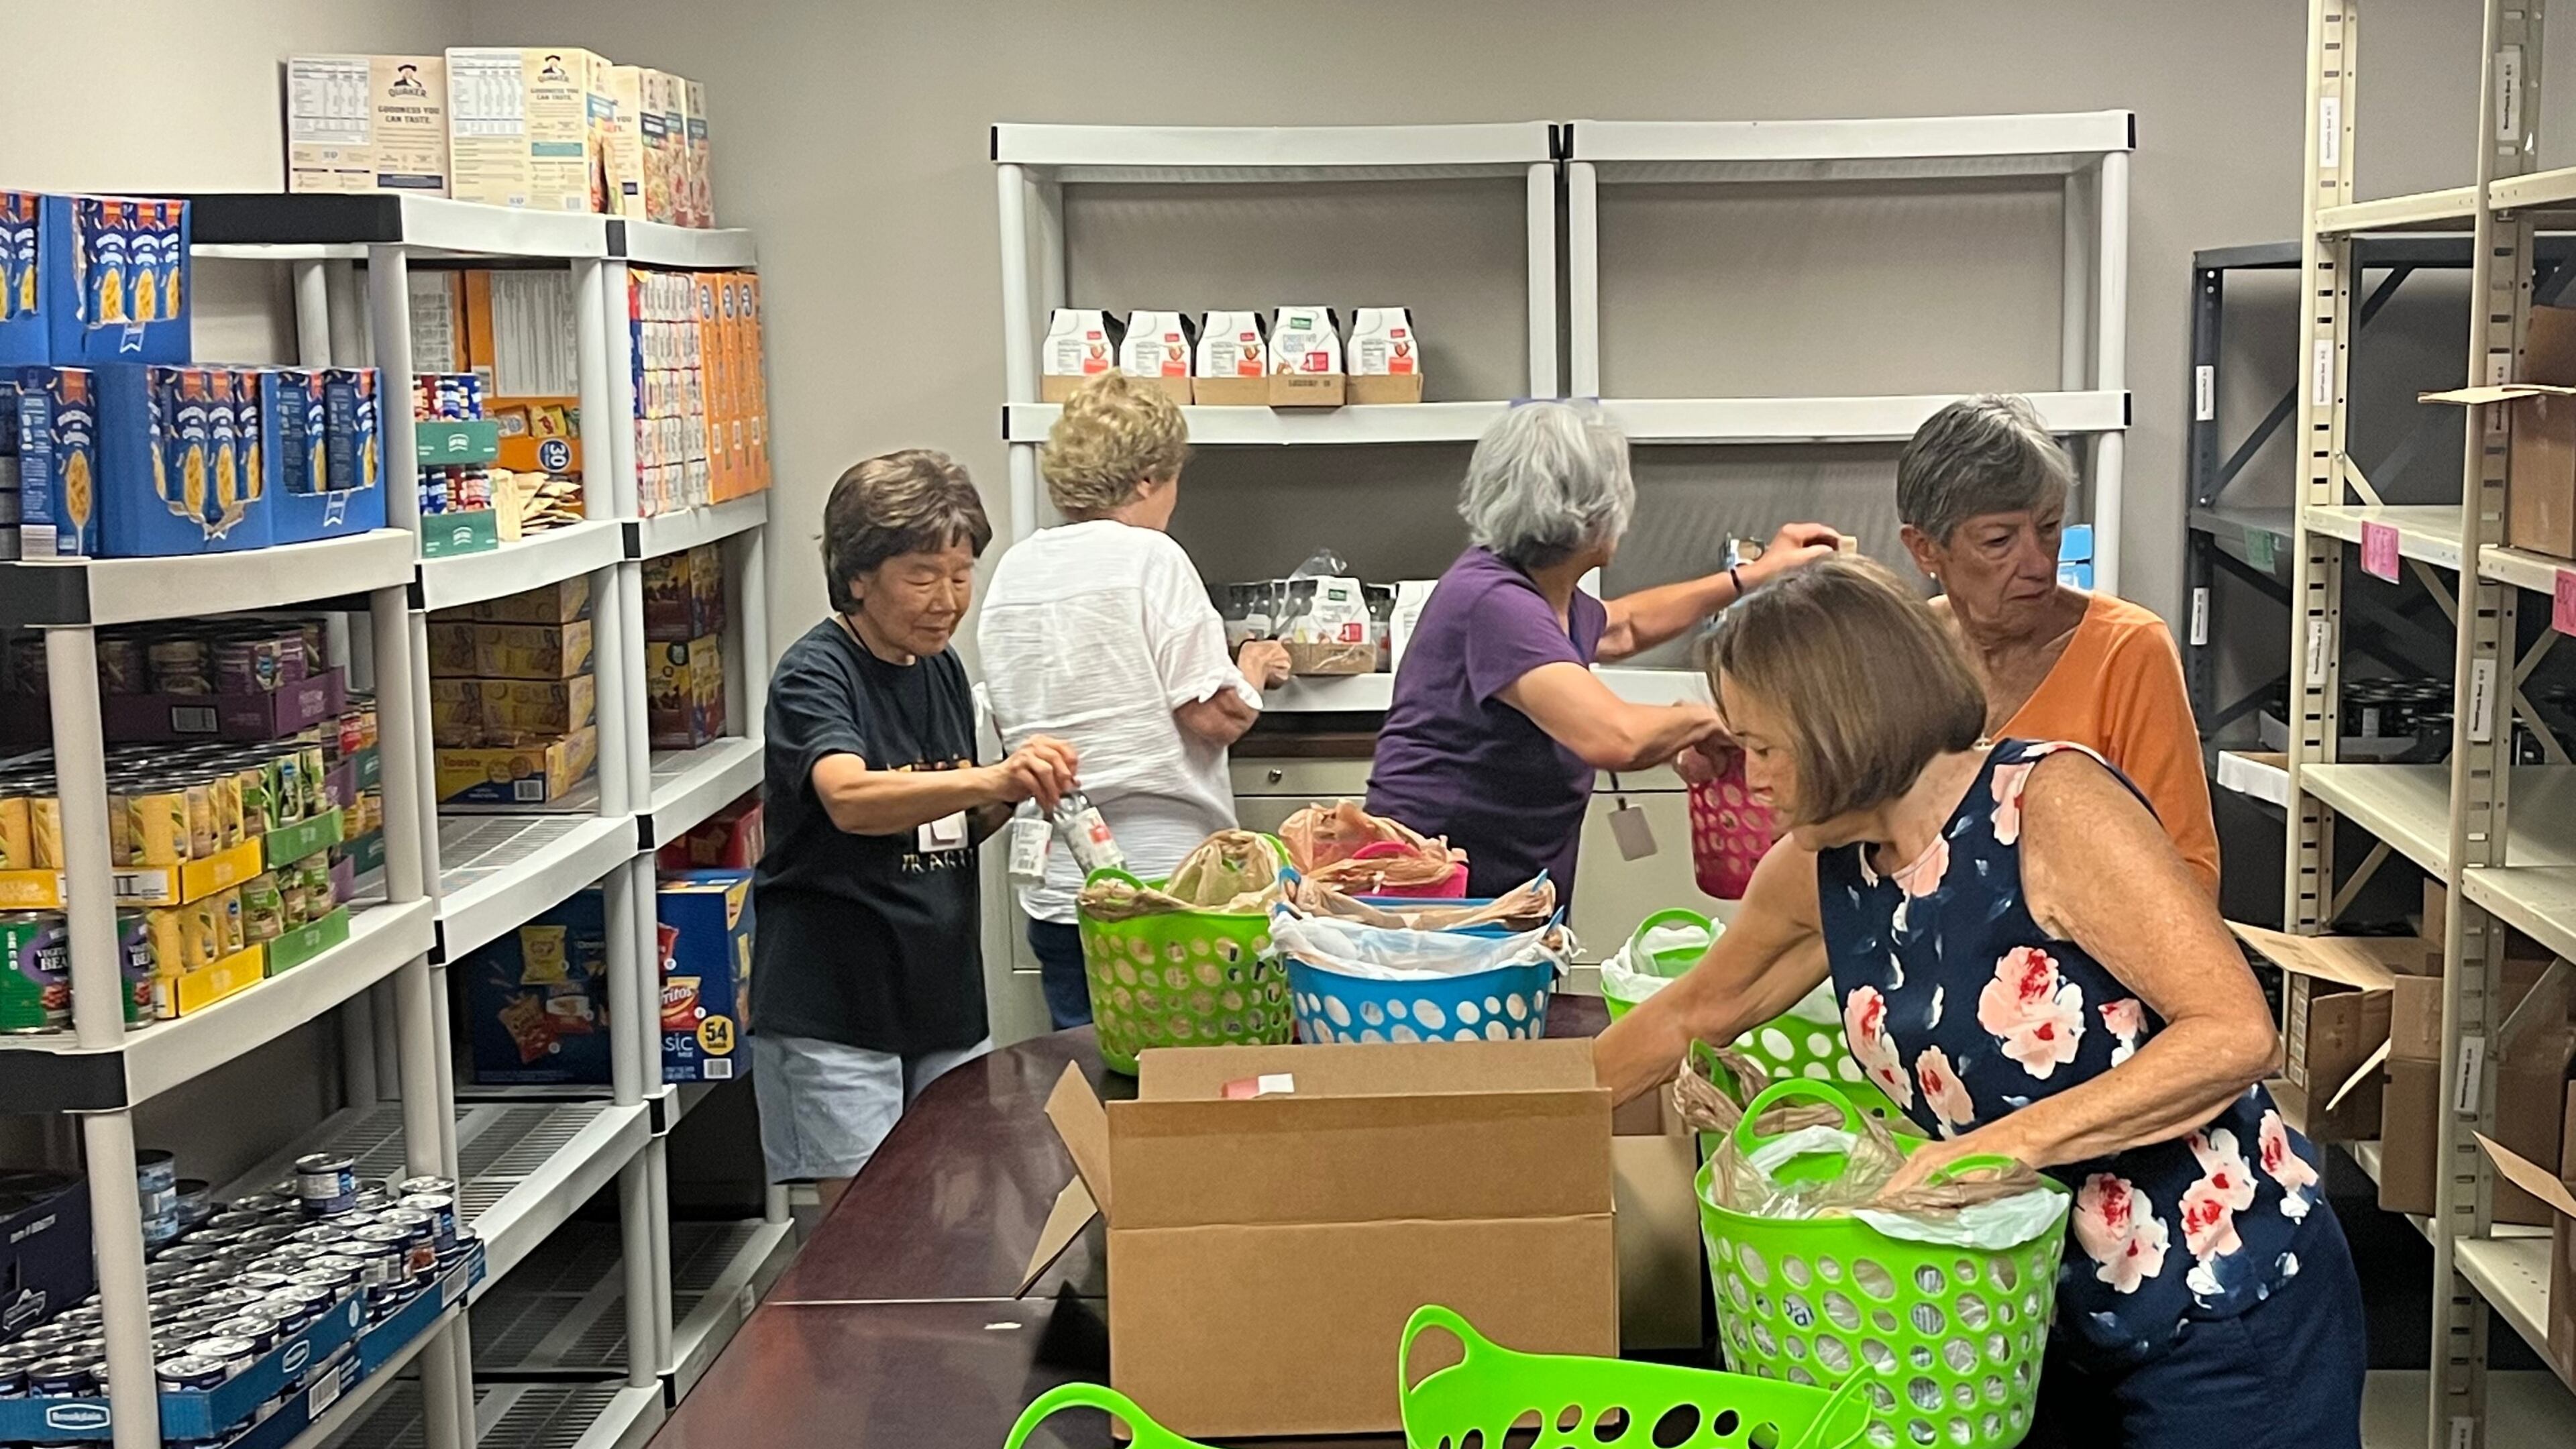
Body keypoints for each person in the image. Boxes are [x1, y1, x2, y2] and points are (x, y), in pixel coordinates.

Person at [1595, 557, 2363, 1448]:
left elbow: (2235, 1035)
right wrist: (1505, 1123)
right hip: (2033, 1324)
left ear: (1843, 727)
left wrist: (1995, 1148)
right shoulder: (1823, 868)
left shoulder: (2051, 809)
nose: (1751, 778)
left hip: (2223, 1302)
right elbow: (1687, 1015)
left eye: (1765, 749)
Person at [749, 449, 1079, 1197]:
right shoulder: (815, 673)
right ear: (857, 576)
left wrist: (1017, 793)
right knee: (860, 1230)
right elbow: (848, 797)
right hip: (837, 1009)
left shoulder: (940, 669)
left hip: (941, 1003)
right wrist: (993, 776)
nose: (947, 600)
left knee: (947, 1224)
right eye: (923, 575)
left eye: (962, 575)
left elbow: (943, 821)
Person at [1366, 400, 1837, 904]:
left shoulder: (1541, 590)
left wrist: (1755, 575)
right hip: (1436, 898)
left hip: (1499, 883)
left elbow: (1625, 627)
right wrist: (1710, 723)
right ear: (1595, 517)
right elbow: (1616, 737)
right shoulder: (1494, 602)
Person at [979, 373, 1293, 1030]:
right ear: (1148, 478)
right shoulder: (1151, 559)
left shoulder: (1014, 570)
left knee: (1085, 1062)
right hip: (1161, 887)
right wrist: (1251, 671)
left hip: (1060, 884)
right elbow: (1212, 715)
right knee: (1176, 1071)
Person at [1896, 395, 2219, 897]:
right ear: (1924, 549)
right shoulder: (1907, 650)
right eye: (1999, 541)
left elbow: (2189, 875)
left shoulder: (2128, 652)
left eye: (2049, 528)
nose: (2040, 564)